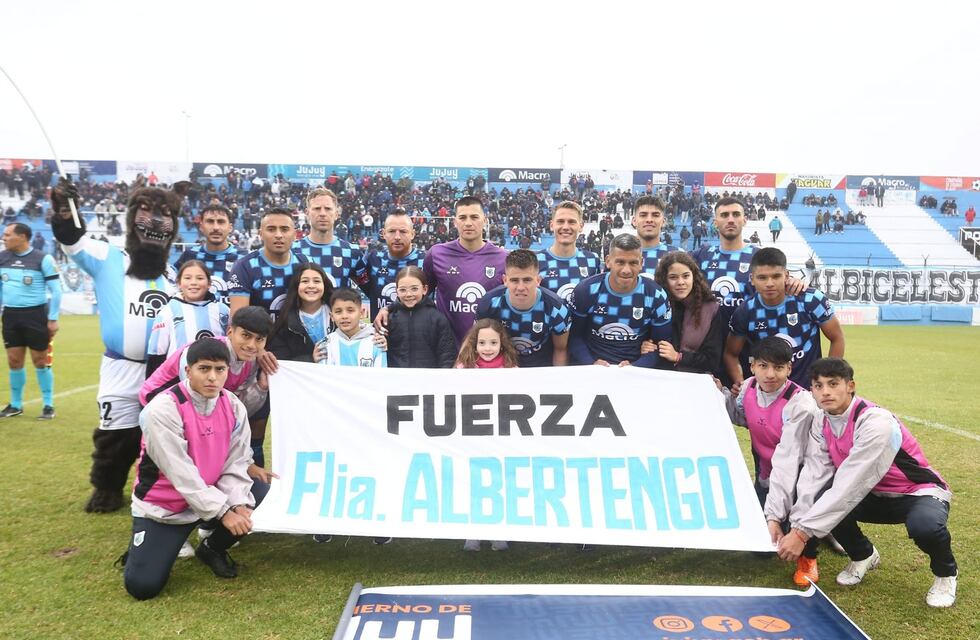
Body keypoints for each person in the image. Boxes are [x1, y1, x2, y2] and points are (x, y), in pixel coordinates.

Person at [776, 358, 958, 608]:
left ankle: (946, 575)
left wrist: (802, 533)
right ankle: (863, 555)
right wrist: (797, 523)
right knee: (820, 498)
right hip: (873, 495)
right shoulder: (821, 420)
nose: (825, 392)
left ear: (850, 385)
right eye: (818, 386)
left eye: (833, 384)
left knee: (925, 526)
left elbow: (851, 484)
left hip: (916, 493)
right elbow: (813, 476)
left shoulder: (876, 422)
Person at [49, 179, 181, 513]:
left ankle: (158, 488)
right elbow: (71, 238)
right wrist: (64, 210)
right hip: (121, 366)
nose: (154, 221)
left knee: (164, 432)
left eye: (164, 214)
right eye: (146, 210)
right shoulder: (106, 255)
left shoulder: (174, 273)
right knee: (115, 433)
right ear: (131, 216)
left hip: (164, 369)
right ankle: (107, 486)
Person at [121, 338, 255, 600]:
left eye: (220, 370)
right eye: (204, 369)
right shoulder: (161, 409)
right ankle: (144, 539)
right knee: (142, 587)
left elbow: (237, 460)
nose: (212, 377)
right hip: (166, 507)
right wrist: (224, 511)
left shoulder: (233, 405)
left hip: (209, 497)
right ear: (187, 371)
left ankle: (211, 548)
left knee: (259, 493)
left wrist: (238, 502)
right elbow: (182, 474)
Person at [721, 337, 821, 586]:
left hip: (802, 475)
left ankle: (809, 558)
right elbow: (742, 417)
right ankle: (784, 520)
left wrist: (774, 517)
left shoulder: (802, 404)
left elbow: (789, 460)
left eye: (778, 367)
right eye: (764, 366)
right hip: (766, 469)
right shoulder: (747, 388)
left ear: (789, 369)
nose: (770, 374)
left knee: (803, 512)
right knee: (761, 548)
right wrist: (717, 392)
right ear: (752, 366)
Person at [228, 207, 308, 468]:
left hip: (295, 361)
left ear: (294, 234)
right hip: (256, 360)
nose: (278, 235)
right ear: (260, 232)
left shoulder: (302, 265)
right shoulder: (246, 266)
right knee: (254, 425)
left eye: (284, 229)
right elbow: (238, 319)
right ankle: (255, 486)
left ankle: (296, 481)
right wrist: (258, 352)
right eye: (271, 229)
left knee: (300, 425)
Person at [725, 248, 845, 390]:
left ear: (786, 275)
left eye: (776, 276)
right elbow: (731, 354)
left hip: (808, 393)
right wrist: (741, 383)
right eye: (762, 277)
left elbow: (837, 338)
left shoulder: (810, 300)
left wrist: (828, 376)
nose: (769, 283)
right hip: (767, 396)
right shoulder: (746, 311)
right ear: (752, 279)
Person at [454, 317, 517, 552]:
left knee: (499, 483)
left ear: (502, 344)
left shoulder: (512, 369)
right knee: (473, 482)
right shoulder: (464, 368)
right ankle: (473, 532)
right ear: (474, 344)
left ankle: (498, 532)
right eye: (482, 343)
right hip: (472, 436)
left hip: (500, 436)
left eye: (493, 343)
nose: (487, 348)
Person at [568, 233, 671, 367]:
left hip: (635, 372)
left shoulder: (656, 295)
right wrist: (591, 363)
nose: (626, 270)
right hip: (593, 369)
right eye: (620, 262)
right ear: (608, 261)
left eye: (633, 263)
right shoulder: (586, 290)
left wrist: (636, 367)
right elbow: (574, 337)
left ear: (641, 263)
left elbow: (661, 345)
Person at [417, 196, 508, 344]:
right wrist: (389, 309)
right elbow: (420, 296)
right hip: (447, 349)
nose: (468, 223)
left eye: (474, 217)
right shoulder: (436, 254)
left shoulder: (503, 258)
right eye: (462, 217)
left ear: (485, 221)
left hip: (488, 352)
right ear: (455, 222)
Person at [0, 222, 61, 419]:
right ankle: (16, 405)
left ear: (23, 237)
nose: (4, 238)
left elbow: (57, 291)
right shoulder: (2, 258)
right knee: (14, 360)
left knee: (40, 361)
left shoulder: (43, 259)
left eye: (8, 234)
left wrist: (52, 319)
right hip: (10, 315)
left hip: (35, 315)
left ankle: (48, 404)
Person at [476, 250, 570, 367]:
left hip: (540, 368)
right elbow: (473, 342)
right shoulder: (489, 303)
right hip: (501, 367)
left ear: (538, 280)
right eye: (514, 280)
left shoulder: (556, 309)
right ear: (505, 280)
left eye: (527, 280)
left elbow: (560, 349)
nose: (520, 287)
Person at [640, 251, 724, 375]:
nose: (680, 282)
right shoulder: (654, 305)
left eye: (686, 276)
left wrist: (679, 357)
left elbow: (713, 360)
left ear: (694, 277)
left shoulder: (711, 309)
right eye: (673, 277)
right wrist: (644, 347)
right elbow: (647, 343)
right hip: (660, 379)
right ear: (664, 279)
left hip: (695, 382)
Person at [146, 260, 229, 375]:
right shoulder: (168, 310)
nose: (193, 283)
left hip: (215, 382)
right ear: (179, 283)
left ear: (209, 283)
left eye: (200, 278)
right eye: (187, 278)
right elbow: (156, 353)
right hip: (178, 382)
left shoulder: (223, 310)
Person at [354, 208, 425, 319]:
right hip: (380, 335)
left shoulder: (426, 261)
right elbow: (360, 280)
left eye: (403, 231)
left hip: (417, 335)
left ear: (412, 234)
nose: (397, 237)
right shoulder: (373, 259)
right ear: (383, 233)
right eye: (392, 231)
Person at [172, 204, 244, 306]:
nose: (215, 227)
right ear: (201, 227)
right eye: (210, 221)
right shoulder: (189, 255)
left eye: (221, 222)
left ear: (230, 228)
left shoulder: (244, 258)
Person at [385, 266, 456, 368]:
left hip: (428, 381)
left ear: (424, 289)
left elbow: (447, 356)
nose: (408, 294)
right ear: (396, 291)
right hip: (397, 380)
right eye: (403, 290)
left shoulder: (437, 319)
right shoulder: (389, 318)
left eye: (414, 289)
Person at [294, 187, 363, 289]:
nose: (322, 213)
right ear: (307, 213)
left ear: (336, 214)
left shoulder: (352, 252)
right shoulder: (292, 251)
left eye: (328, 209)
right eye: (317, 208)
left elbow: (371, 290)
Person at [534, 201, 601, 303]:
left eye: (571, 222)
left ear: (581, 226)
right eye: (560, 221)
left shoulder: (592, 260)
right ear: (552, 225)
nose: (565, 227)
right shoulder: (535, 261)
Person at [267, 264, 335, 363]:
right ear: (296, 285)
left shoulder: (338, 313)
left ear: (324, 284)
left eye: (317, 281)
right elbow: (280, 360)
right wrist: (311, 359)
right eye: (305, 281)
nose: (311, 286)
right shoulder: (286, 321)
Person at [314, 288, 386, 368]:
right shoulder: (325, 344)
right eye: (338, 311)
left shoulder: (376, 343)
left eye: (350, 310)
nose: (344, 316)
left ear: (362, 313)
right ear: (332, 316)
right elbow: (322, 376)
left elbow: (380, 377)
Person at [632, 195, 676, 276]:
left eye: (655, 215)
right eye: (643, 215)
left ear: (663, 221)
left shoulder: (677, 255)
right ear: (634, 221)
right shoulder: (620, 255)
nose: (649, 220)